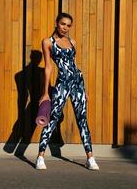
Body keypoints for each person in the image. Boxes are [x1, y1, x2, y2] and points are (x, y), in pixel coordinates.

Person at [35, 13, 99, 170]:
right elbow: (48, 67)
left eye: (69, 25)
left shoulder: (72, 41)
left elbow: (75, 66)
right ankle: (40, 157)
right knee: (54, 118)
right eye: (63, 24)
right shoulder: (48, 42)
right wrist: (46, 93)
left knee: (82, 119)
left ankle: (90, 158)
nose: (65, 28)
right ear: (56, 23)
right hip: (62, 83)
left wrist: (84, 90)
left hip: (78, 83)